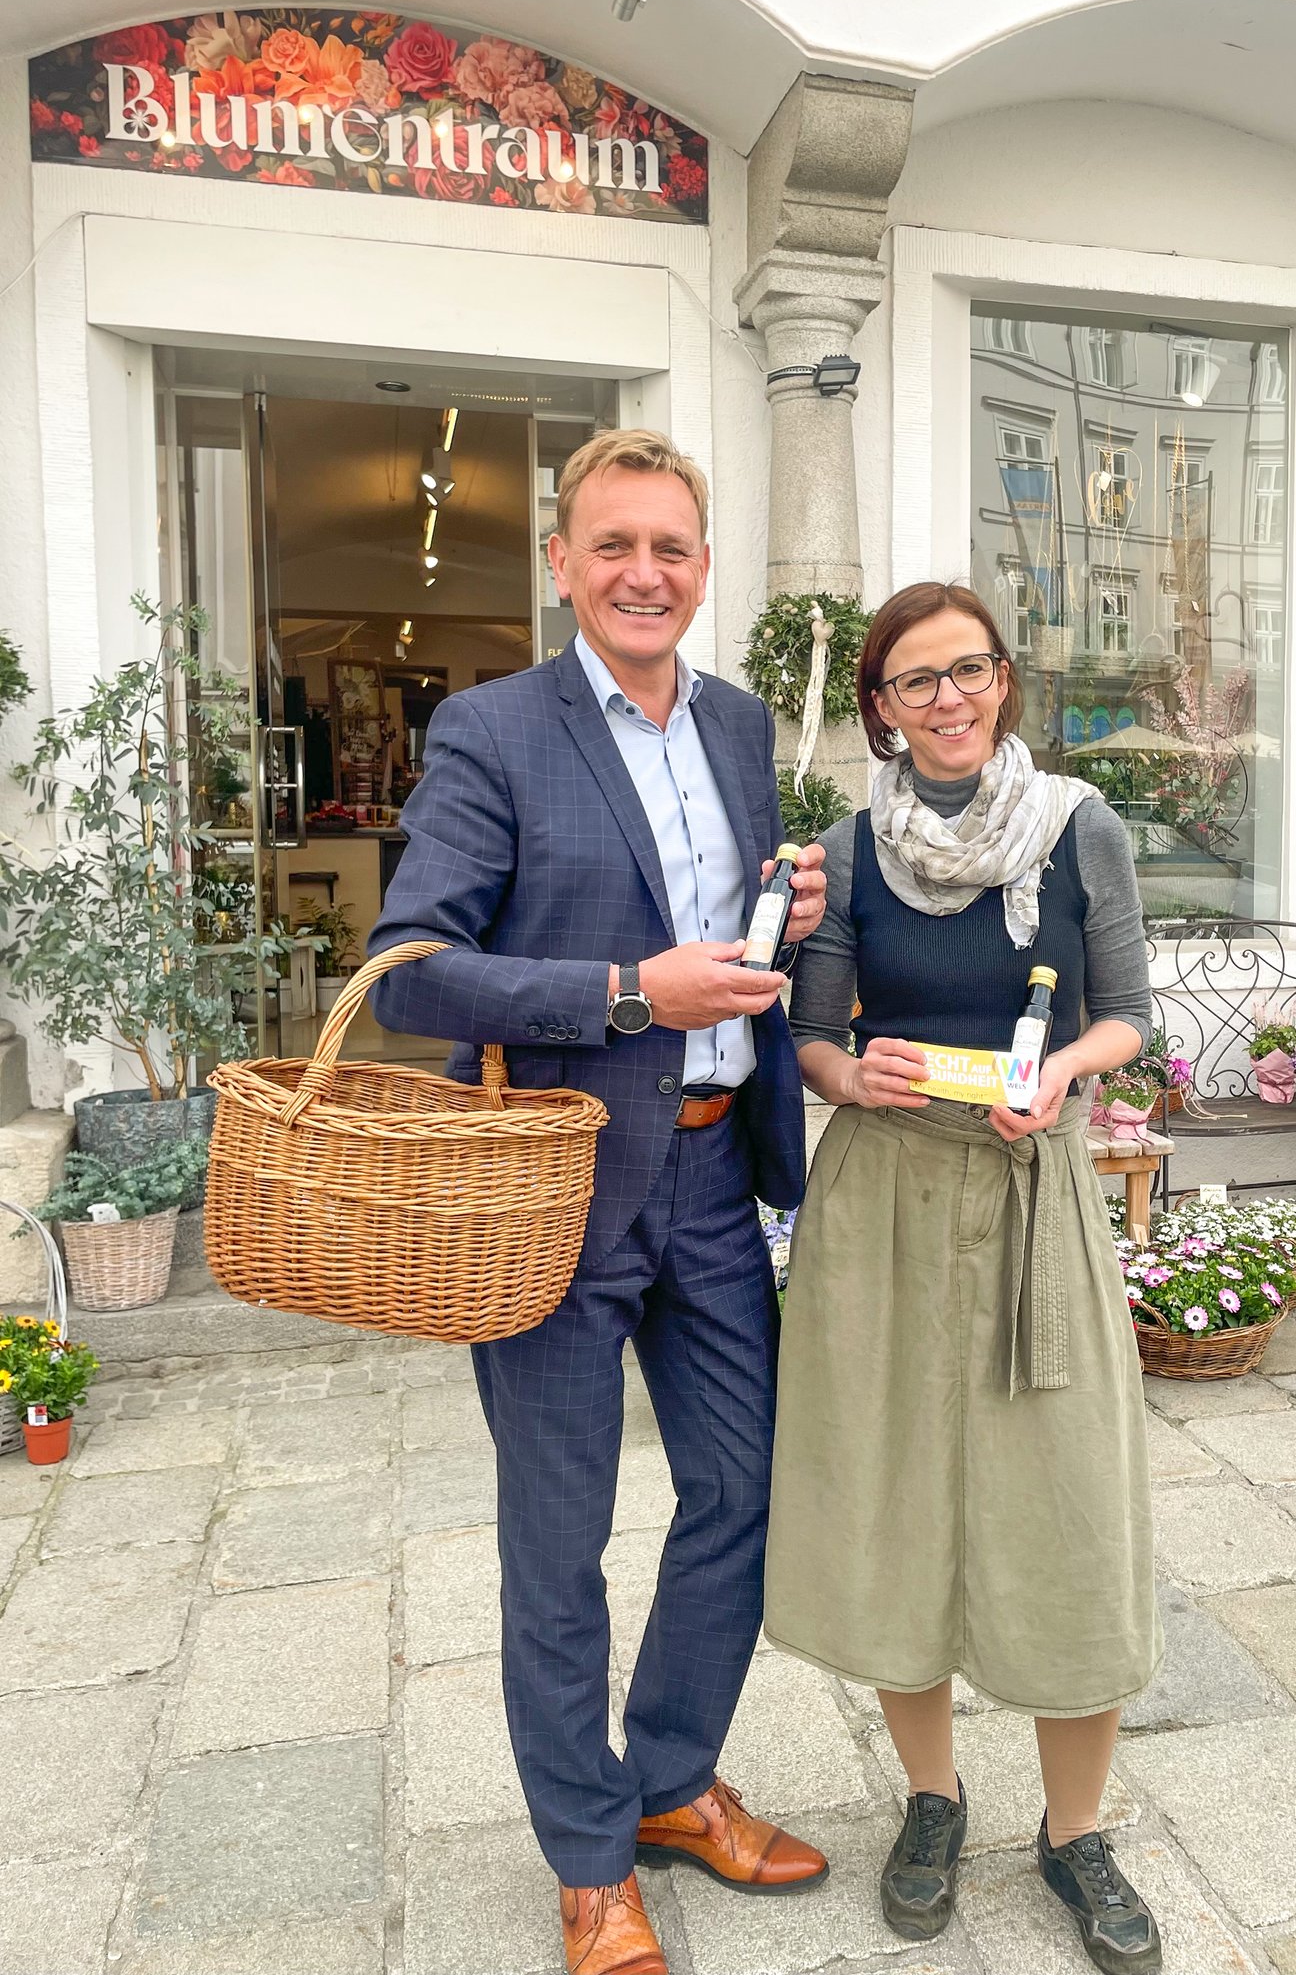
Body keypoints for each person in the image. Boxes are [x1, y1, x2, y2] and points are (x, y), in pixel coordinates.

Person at [366, 428, 831, 1975]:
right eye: (614, 545)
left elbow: (729, 936)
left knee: (743, 1493)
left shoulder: (741, 725)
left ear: (705, 567)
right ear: (563, 563)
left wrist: (784, 915)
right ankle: (588, 1856)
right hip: (555, 1184)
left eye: (671, 548)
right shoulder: (494, 728)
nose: (645, 573)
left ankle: (672, 1781)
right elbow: (411, 971)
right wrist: (632, 991)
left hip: (716, 1174)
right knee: (559, 1541)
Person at [765, 582, 1163, 1973]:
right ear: (879, 707)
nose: (947, 699)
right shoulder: (845, 850)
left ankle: (1076, 1831)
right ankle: (932, 1801)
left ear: (1004, 679)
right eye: (915, 681)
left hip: (1030, 1185)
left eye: (969, 671)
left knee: (1068, 1505)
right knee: (893, 1500)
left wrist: (1063, 1073)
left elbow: (1130, 1014)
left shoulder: (1076, 824)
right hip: (881, 1196)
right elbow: (812, 1034)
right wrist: (845, 1074)